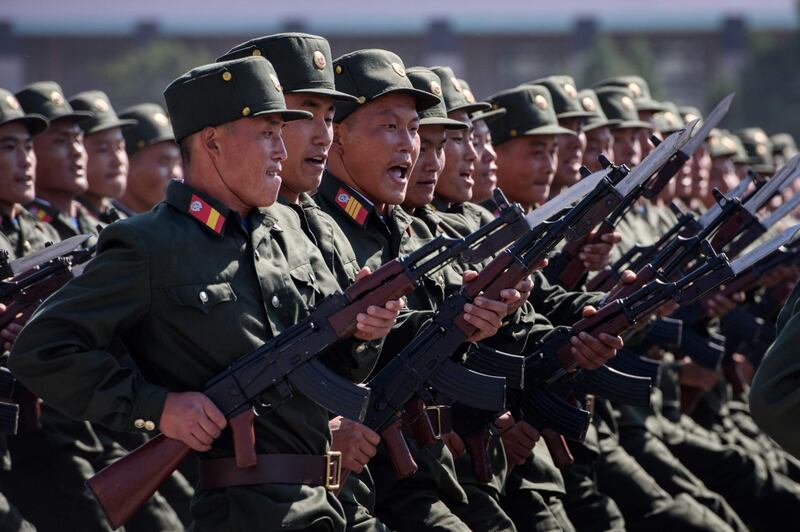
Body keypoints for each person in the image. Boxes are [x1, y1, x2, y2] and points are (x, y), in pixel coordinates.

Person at [10, 55, 401, 532]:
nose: (282, 150)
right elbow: (43, 350)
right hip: (249, 511)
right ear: (213, 141)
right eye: (266, 133)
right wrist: (157, 408)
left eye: (282, 132)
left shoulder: (292, 230)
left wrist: (365, 332)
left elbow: (341, 371)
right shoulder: (149, 244)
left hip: (338, 502)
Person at [68, 90, 136, 222]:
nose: (117, 161)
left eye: (120, 147)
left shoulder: (121, 219)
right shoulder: (69, 220)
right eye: (102, 149)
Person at [115, 103, 182, 215]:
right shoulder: (105, 227)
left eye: (177, 163)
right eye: (164, 162)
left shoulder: (174, 224)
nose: (176, 174)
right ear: (127, 164)